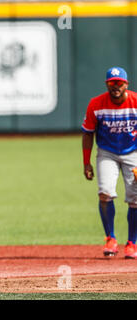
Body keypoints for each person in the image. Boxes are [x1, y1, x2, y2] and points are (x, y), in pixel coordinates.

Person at [82, 66, 137, 259]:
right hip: (107, 153)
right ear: (107, 84)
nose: (115, 86)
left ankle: (132, 243)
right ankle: (110, 238)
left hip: (133, 153)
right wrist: (86, 163)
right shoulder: (96, 104)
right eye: (112, 83)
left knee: (135, 199)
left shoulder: (135, 101)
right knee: (105, 193)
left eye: (119, 83)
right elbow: (88, 133)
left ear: (126, 84)